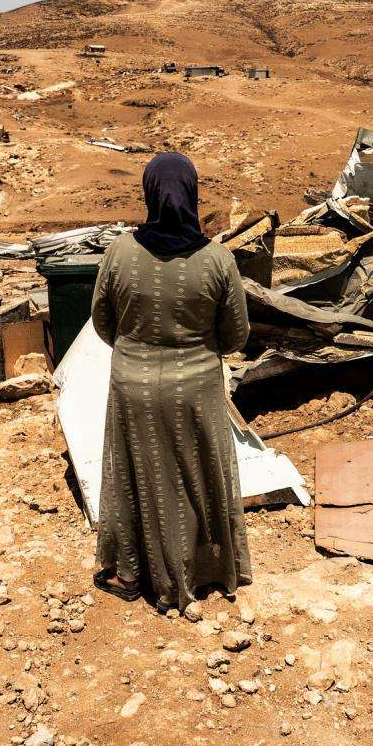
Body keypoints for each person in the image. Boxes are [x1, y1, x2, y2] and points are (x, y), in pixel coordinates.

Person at [89, 151, 252, 612]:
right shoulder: (219, 260)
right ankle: (208, 570)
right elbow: (236, 334)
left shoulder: (119, 253)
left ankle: (130, 570)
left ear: (148, 194)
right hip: (196, 387)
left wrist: (136, 347)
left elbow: (102, 323)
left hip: (133, 386)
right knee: (198, 478)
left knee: (135, 477)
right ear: (193, 195)